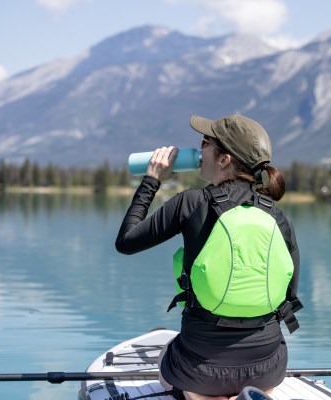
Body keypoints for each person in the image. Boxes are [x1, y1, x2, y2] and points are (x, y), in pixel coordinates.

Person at [115, 114, 302, 400]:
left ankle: (207, 397)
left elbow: (126, 242)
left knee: (168, 355)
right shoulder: (277, 215)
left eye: (205, 143)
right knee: (244, 372)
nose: (199, 150)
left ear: (224, 159)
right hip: (268, 368)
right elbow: (288, 295)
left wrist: (152, 179)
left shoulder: (191, 202)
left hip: (201, 371)